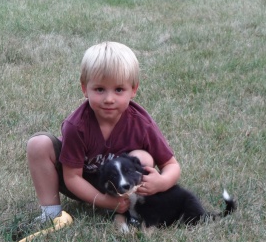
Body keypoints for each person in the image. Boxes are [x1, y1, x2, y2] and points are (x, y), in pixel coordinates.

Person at [26, 41, 181, 223]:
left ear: (133, 89)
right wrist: (104, 201)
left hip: (123, 185)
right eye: (100, 89)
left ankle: (132, 206)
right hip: (82, 183)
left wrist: (162, 182)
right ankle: (51, 214)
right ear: (85, 88)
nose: (109, 99)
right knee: (38, 144)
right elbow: (72, 177)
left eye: (118, 90)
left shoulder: (142, 124)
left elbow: (171, 165)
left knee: (142, 157)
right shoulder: (77, 125)